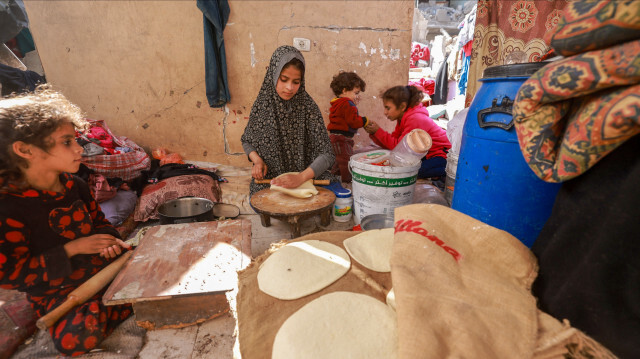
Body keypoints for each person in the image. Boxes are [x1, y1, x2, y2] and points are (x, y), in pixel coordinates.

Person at [0, 86, 133, 356]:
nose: (79, 149)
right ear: (24, 149)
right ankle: (129, 301)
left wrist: (109, 241)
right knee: (74, 339)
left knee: (152, 267)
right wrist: (74, 248)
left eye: (75, 140)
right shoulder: (8, 208)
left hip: (102, 271)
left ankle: (127, 297)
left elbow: (101, 223)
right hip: (57, 292)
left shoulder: (76, 185)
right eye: (66, 142)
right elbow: (11, 275)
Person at [241, 45, 337, 196]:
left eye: (296, 82)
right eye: (284, 79)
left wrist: (300, 177)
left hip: (306, 180)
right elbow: (247, 140)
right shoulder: (263, 105)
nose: (289, 87)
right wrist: (257, 161)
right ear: (273, 74)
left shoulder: (308, 107)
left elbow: (327, 155)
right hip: (271, 182)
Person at [364, 85, 451, 189]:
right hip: (426, 155)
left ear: (402, 106)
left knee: (409, 173)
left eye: (388, 108)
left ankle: (440, 178)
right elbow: (394, 144)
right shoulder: (403, 118)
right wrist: (374, 133)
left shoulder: (415, 119)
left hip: (442, 156)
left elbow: (400, 149)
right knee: (400, 167)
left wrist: (378, 131)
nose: (385, 112)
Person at [327, 71, 369, 183]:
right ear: (344, 90)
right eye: (356, 93)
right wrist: (364, 121)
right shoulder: (347, 104)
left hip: (334, 138)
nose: (357, 96)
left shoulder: (338, 102)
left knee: (337, 161)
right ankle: (348, 182)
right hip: (342, 139)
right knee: (347, 161)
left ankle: (332, 179)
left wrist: (354, 105)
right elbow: (354, 122)